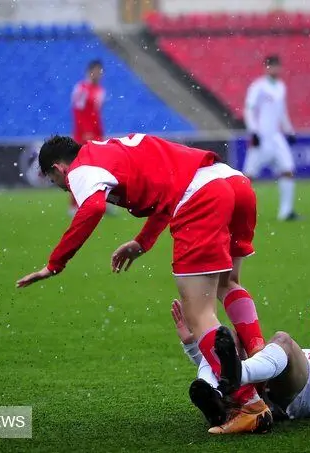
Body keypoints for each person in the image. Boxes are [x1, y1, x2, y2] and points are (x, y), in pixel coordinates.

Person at [16, 133, 271, 434]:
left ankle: (249, 404)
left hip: (201, 196)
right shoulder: (109, 150)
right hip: (232, 181)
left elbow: (93, 209)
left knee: (198, 314)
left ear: (58, 169)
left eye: (54, 182)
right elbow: (168, 188)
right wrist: (142, 242)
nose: (62, 187)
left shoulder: (81, 169)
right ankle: (259, 358)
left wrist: (55, 264)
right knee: (228, 283)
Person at [173, 287, 310, 432]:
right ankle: (215, 396)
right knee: (227, 336)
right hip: (273, 395)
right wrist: (193, 345)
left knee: (282, 339)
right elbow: (223, 364)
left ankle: (230, 387)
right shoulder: (298, 353)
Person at [244, 54, 299, 221]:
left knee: (288, 170)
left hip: (276, 137)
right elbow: (249, 109)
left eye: (276, 66)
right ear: (265, 68)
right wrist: (253, 131)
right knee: (247, 178)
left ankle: (286, 212)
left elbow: (282, 112)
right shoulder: (258, 87)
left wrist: (289, 130)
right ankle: (238, 213)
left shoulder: (281, 86)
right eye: (271, 66)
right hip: (261, 136)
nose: (274, 69)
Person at [69, 60, 107, 217]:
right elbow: (78, 111)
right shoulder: (82, 89)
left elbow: (96, 114)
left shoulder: (99, 90)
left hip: (96, 135)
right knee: (80, 170)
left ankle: (102, 203)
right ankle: (74, 205)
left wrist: (98, 132)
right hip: (84, 136)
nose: (99, 74)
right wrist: (85, 130)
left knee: (101, 171)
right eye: (97, 71)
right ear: (90, 71)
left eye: (101, 71)